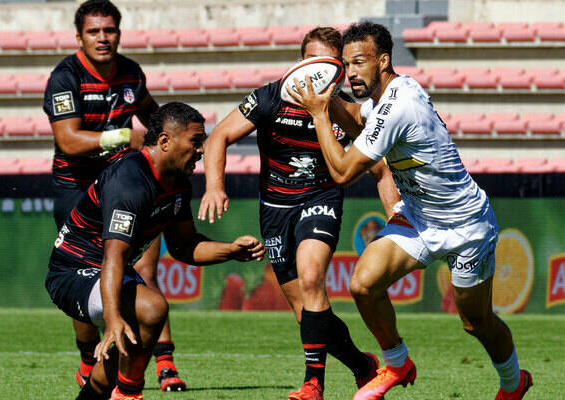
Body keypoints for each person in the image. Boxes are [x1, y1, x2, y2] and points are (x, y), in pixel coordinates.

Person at [287, 21, 533, 400]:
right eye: (345, 65)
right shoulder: (382, 98)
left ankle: (514, 382)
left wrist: (320, 113)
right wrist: (329, 99)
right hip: (419, 218)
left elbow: (342, 171)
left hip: (466, 226)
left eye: (358, 63)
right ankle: (398, 363)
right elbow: (357, 119)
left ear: (383, 61)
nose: (350, 73)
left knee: (475, 322)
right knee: (363, 285)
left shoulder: (400, 105)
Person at [199, 26, 399, 400]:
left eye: (323, 62)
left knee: (311, 279)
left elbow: (381, 169)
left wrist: (396, 218)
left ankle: (313, 385)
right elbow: (218, 137)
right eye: (308, 60)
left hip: (321, 198)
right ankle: (363, 366)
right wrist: (214, 186)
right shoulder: (269, 97)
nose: (313, 70)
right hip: (274, 209)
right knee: (305, 312)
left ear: (336, 68)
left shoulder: (345, 111)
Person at [45, 102, 265, 400]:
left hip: (110, 273)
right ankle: (129, 394)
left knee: (120, 355)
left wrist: (230, 250)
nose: (202, 150)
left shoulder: (178, 183)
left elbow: (184, 246)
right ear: (164, 142)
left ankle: (113, 391)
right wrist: (112, 318)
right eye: (195, 142)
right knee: (151, 308)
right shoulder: (131, 181)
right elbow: (114, 255)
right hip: (72, 273)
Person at [42, 0, 185, 391]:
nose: (103, 38)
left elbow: (155, 117)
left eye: (110, 30)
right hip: (78, 189)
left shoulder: (131, 73)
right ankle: (90, 358)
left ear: (119, 34)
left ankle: (165, 360)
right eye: (94, 31)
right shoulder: (65, 77)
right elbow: (68, 141)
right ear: (79, 37)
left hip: (127, 182)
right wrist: (124, 136)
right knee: (89, 269)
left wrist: (178, 137)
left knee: (145, 271)